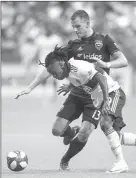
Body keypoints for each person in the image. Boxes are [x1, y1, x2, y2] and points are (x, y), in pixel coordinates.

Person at [15, 10, 136, 172]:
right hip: (80, 92)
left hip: (100, 93)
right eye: (73, 27)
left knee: (106, 130)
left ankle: (68, 160)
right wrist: (31, 87)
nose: (75, 30)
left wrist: (107, 65)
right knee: (58, 130)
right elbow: (51, 67)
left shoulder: (104, 40)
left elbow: (123, 61)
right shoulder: (72, 46)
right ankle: (72, 133)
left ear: (87, 23)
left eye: (78, 26)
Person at [44, 46, 128, 173]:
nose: (53, 75)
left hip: (111, 93)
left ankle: (121, 162)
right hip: (94, 97)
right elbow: (82, 79)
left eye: (53, 71)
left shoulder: (79, 68)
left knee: (104, 126)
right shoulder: (67, 71)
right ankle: (73, 132)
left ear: (61, 63)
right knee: (57, 130)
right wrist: (70, 86)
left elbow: (101, 78)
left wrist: (106, 100)